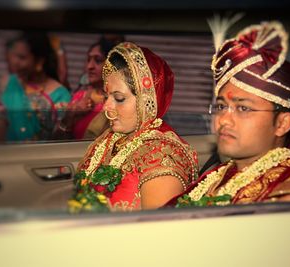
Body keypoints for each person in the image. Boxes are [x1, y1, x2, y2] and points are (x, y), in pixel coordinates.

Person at [168, 21, 290, 208]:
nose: (223, 120)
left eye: (243, 108)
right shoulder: (222, 173)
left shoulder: (289, 198)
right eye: (221, 107)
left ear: (282, 123)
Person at [68, 42, 198, 212]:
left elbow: (156, 232)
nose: (106, 106)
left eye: (119, 98)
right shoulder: (108, 140)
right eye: (107, 96)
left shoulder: (162, 156)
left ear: (146, 101)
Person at [0, 32, 72, 142]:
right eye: (14, 56)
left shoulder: (60, 96)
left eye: (22, 57)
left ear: (39, 61)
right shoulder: (8, 81)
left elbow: (59, 142)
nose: (14, 62)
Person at [56, 35, 124, 140]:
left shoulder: (120, 101)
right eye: (88, 60)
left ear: (113, 66)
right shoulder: (79, 98)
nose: (90, 66)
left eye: (98, 60)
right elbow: (59, 143)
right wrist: (70, 117)